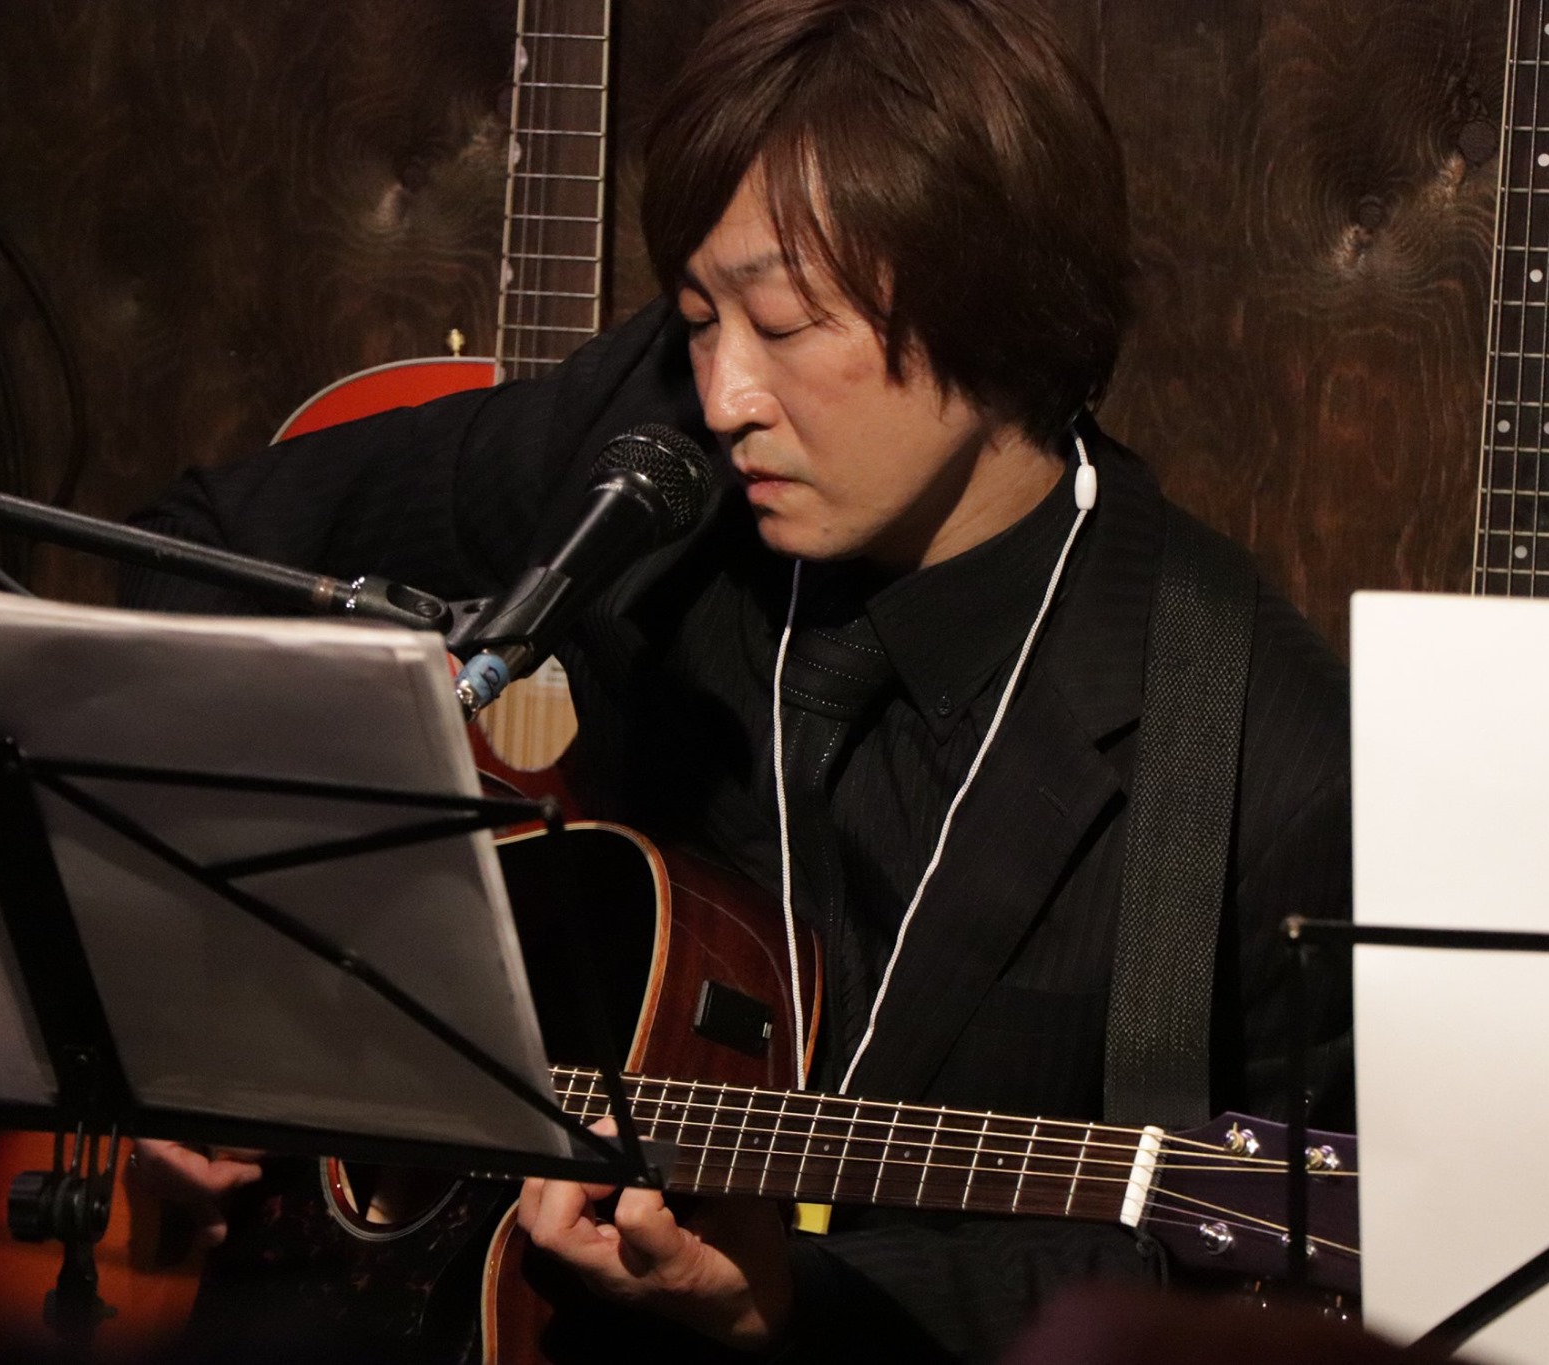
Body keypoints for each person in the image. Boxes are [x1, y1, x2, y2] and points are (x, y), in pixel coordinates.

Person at [124, 0, 1352, 1358]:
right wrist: (203, 995)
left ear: (996, 307)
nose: (722, 395)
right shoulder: (650, 440)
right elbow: (206, 548)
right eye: (701, 319)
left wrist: (799, 1307)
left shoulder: (1255, 743)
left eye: (782, 322)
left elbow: (1270, 1290)